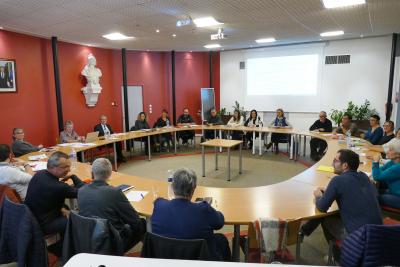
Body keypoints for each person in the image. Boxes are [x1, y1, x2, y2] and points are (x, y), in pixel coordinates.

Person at [300, 149, 382, 261]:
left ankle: (337, 256)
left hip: (359, 237)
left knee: (324, 216)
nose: (332, 164)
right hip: (379, 232)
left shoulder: (337, 180)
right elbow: (371, 194)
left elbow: (322, 207)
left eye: (335, 161)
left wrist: (318, 195)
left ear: (345, 165)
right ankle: (302, 232)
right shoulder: (364, 176)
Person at [151, 168, 231, 261]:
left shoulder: (159, 205)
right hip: (200, 261)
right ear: (194, 188)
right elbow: (220, 222)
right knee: (221, 239)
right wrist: (207, 208)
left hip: (167, 260)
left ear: (172, 187)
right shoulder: (204, 209)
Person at [78, 158, 146, 252]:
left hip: (89, 237)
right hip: (112, 241)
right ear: (110, 174)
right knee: (142, 223)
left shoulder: (81, 191)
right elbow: (134, 220)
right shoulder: (115, 192)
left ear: (92, 173)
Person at [25, 151, 84, 256]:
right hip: (43, 225)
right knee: (76, 220)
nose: (69, 170)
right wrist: (74, 177)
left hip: (31, 218)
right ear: (53, 167)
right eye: (65, 167)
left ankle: (62, 244)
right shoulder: (58, 187)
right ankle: (64, 250)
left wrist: (61, 208)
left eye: (69, 167)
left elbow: (48, 196)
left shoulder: (40, 174)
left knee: (66, 208)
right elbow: (84, 193)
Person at [372, 139, 400, 209]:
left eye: (390, 150)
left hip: (397, 197)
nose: (387, 152)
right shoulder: (392, 162)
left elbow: (377, 177)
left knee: (372, 197)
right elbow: (381, 170)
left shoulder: (397, 167)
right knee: (372, 191)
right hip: (393, 191)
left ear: (398, 154)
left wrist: (375, 162)